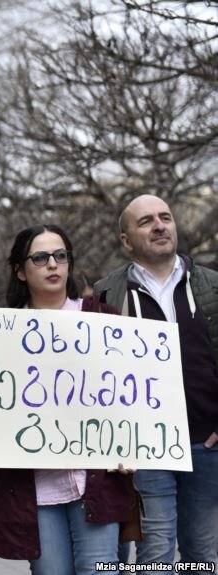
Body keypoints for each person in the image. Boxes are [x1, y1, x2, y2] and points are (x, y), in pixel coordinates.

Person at [0, 224, 138, 575]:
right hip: (35, 492)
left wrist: (131, 446)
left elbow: (131, 397)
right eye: (40, 257)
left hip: (96, 484)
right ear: (20, 270)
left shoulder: (102, 319)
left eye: (60, 256)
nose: (53, 264)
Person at [94, 195, 218, 574]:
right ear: (126, 239)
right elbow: (96, 375)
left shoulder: (212, 285)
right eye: (146, 221)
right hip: (146, 449)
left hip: (206, 442)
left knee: (203, 555)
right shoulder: (106, 294)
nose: (160, 225)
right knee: (156, 553)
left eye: (165, 217)